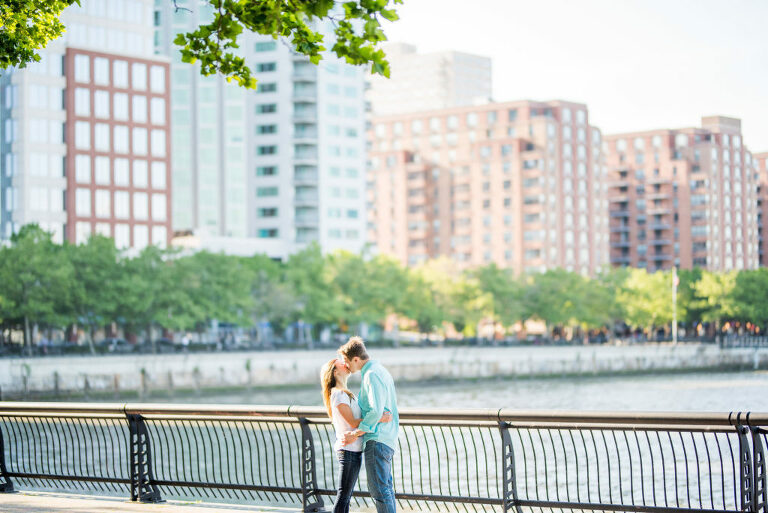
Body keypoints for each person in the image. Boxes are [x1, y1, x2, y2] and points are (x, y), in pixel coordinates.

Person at [320, 358, 392, 513]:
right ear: (334, 371)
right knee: (344, 496)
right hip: (348, 451)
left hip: (354, 450)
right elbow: (352, 422)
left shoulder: (346, 394)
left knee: (346, 495)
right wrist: (380, 417)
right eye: (340, 362)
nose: (345, 363)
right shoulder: (338, 394)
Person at [338, 336, 399, 513]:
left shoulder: (372, 375)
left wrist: (356, 433)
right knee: (385, 490)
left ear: (356, 359)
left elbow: (375, 411)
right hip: (385, 438)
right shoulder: (380, 371)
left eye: (347, 361)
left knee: (379, 491)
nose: (346, 366)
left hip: (377, 439)